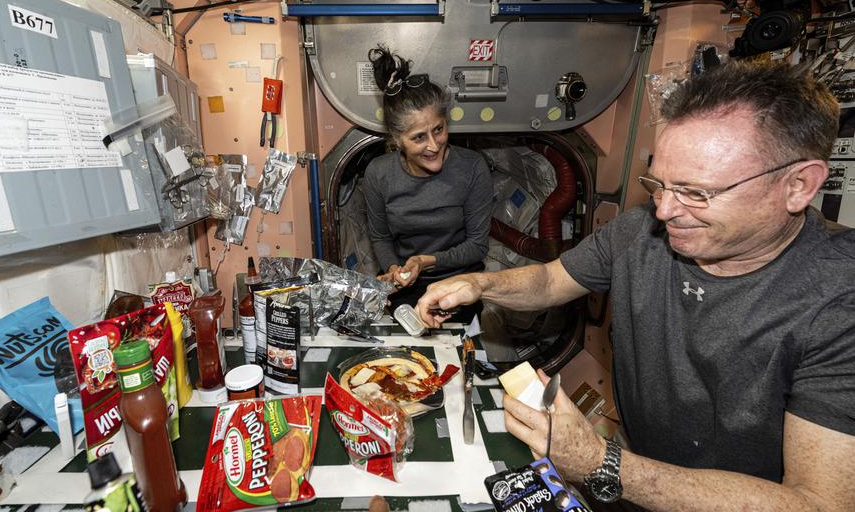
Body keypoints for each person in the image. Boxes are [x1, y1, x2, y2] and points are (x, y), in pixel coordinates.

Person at [415, 62, 855, 511]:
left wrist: (599, 462)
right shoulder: (638, 231)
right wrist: (478, 283)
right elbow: (551, 280)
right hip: (640, 473)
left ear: (799, 185)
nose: (664, 211)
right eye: (658, 185)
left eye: (695, 192)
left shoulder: (841, 298)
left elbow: (820, 505)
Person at [362, 45, 493, 323]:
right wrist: (395, 268)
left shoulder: (472, 167)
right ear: (397, 139)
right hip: (406, 287)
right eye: (419, 137)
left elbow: (477, 245)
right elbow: (380, 236)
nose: (434, 145)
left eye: (439, 129)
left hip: (461, 285)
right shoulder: (378, 174)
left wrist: (424, 261)